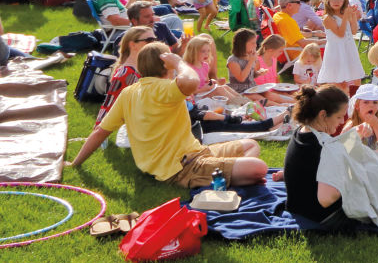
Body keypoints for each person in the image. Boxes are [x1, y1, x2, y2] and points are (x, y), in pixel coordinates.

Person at [69, 42, 269, 187]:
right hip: (180, 168)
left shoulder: (129, 92)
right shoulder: (163, 88)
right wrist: (179, 62)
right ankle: (228, 180)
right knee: (258, 167)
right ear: (166, 64)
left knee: (251, 145)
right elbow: (189, 81)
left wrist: (75, 162)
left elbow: (99, 133)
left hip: (194, 153)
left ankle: (230, 178)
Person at [281, 84, 378, 230]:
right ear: (323, 115)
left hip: (301, 206)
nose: (341, 122)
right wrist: (356, 171)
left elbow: (323, 161)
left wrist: (352, 140)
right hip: (325, 214)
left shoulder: (302, 133)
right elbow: (327, 197)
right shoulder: (325, 147)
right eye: (338, 117)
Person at [94, 25, 155, 125]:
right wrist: (98, 133)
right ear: (133, 45)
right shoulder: (126, 73)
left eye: (154, 39)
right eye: (149, 40)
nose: (154, 43)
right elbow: (109, 104)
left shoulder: (142, 66)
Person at [316, 0, 365, 91]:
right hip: (336, 50)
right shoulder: (328, 18)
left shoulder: (345, 14)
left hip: (348, 46)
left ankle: (356, 96)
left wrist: (352, 17)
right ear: (328, 1)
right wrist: (346, 17)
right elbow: (340, 33)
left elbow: (353, 31)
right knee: (338, 79)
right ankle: (341, 98)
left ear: (344, 0)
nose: (336, 1)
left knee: (356, 75)